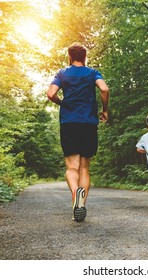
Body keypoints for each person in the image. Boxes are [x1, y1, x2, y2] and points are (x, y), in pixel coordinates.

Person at [47, 42, 110, 222]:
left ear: (69, 57)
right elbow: (104, 88)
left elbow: (51, 93)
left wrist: (62, 103)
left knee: (71, 167)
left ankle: (76, 194)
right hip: (88, 122)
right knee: (84, 167)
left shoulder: (62, 73)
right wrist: (105, 109)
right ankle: (81, 204)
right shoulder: (92, 73)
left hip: (69, 123)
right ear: (84, 57)